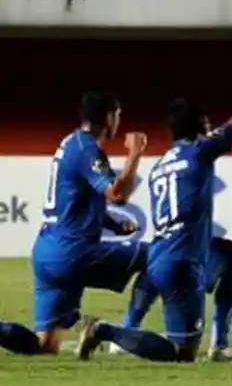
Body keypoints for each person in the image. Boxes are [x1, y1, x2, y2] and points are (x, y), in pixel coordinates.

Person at [77, 50, 232, 362]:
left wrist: (222, 243)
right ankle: (106, 331)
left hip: (162, 257)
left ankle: (218, 344)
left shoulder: (162, 165)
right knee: (181, 352)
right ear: (201, 126)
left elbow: (180, 219)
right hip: (182, 265)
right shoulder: (200, 151)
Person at [0, 92, 146, 356]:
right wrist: (135, 153)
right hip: (72, 254)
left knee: (44, 345)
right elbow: (118, 195)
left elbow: (75, 199)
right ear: (109, 117)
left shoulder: (70, 143)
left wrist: (112, 224)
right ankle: (126, 332)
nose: (119, 122)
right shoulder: (87, 149)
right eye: (118, 116)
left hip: (46, 252)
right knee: (154, 256)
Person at [108, 236, 232, 361]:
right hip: (188, 258)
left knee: (159, 258)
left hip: (171, 245)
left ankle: (128, 329)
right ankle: (219, 344)